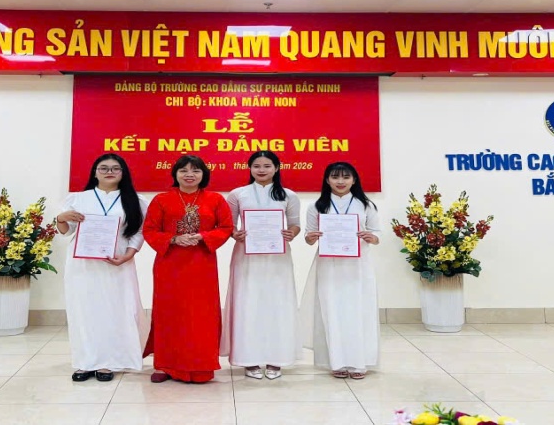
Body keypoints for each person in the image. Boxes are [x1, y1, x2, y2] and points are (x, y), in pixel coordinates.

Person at [54, 154, 148, 382]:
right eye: (103, 168)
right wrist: (61, 218)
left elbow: (139, 231)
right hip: (83, 265)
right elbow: (66, 231)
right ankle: (85, 362)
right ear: (95, 172)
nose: (109, 172)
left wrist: (129, 254)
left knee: (116, 311)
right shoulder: (78, 199)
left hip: (118, 263)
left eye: (115, 168)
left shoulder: (136, 200)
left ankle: (109, 362)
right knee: (84, 312)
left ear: (123, 173)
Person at [142, 155, 234, 383]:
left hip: (202, 264)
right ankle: (165, 365)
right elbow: (150, 230)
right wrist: (173, 239)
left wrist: (203, 236)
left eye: (196, 170)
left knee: (201, 316)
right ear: (175, 174)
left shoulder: (215, 199)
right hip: (170, 265)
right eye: (184, 170)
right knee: (169, 313)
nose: (189, 175)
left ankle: (201, 365)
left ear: (204, 174)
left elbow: (226, 227)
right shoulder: (161, 200)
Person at [220, 150, 302, 380]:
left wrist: (291, 233)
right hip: (246, 256)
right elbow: (228, 225)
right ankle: (249, 359)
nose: (262, 170)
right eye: (257, 166)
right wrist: (235, 234)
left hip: (277, 257)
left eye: (267, 166)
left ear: (276, 168)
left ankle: (277, 358)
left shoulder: (288, 195)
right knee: (247, 303)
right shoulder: (238, 194)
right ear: (250, 168)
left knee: (278, 303)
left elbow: (295, 224)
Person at [300, 161, 381, 380]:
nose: (340, 181)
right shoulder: (316, 206)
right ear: (327, 180)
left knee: (359, 310)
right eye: (335, 177)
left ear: (354, 180)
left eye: (346, 177)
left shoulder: (366, 205)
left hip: (358, 265)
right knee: (332, 310)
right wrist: (311, 237)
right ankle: (335, 361)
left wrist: (371, 237)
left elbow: (376, 234)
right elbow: (308, 237)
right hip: (329, 265)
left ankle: (359, 362)